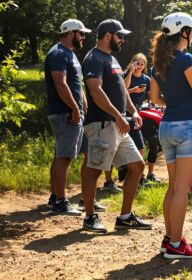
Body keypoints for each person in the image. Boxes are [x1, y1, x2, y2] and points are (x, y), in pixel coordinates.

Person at [148, 12, 192, 259]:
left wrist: (174, 101)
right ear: (184, 33)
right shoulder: (186, 59)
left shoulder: (159, 64)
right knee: (182, 190)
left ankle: (170, 239)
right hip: (189, 126)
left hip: (167, 127)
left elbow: (154, 98)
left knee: (173, 187)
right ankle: (176, 244)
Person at [80, 19, 151, 233]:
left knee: (137, 166)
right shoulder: (93, 58)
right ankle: (90, 217)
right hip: (102, 123)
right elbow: (96, 91)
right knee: (94, 169)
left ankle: (125, 217)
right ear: (108, 36)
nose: (122, 40)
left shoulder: (112, 59)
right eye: (120, 36)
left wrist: (133, 111)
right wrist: (118, 117)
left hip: (117, 123)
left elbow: (121, 90)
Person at [44, 19, 104, 215]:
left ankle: (84, 198)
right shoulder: (58, 54)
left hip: (76, 112)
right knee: (64, 157)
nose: (84, 37)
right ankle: (60, 201)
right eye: (81, 33)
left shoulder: (69, 54)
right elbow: (60, 84)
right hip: (66, 113)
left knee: (86, 153)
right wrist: (74, 108)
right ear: (71, 33)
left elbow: (76, 84)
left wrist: (84, 105)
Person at [117, 53, 156, 187]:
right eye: (137, 63)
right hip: (124, 113)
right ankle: (123, 174)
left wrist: (150, 102)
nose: (139, 66)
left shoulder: (146, 79)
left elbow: (150, 96)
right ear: (132, 63)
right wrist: (132, 88)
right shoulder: (125, 74)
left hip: (138, 114)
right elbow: (122, 91)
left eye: (142, 64)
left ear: (145, 66)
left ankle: (139, 175)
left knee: (140, 146)